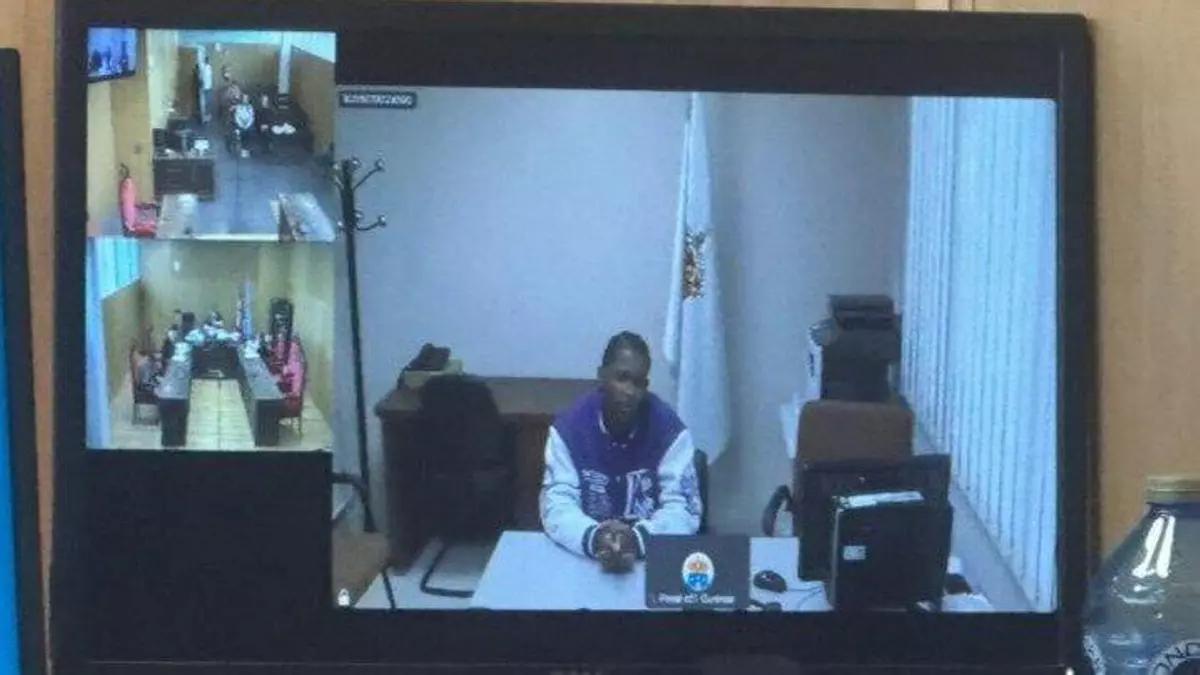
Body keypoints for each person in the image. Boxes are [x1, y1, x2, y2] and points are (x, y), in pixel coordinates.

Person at [540, 331, 703, 571]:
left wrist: (637, 540)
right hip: (584, 560)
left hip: (650, 562)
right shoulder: (569, 429)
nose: (629, 391)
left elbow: (683, 509)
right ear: (601, 376)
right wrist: (595, 537)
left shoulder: (670, 431)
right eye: (622, 378)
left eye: (639, 383)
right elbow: (556, 503)